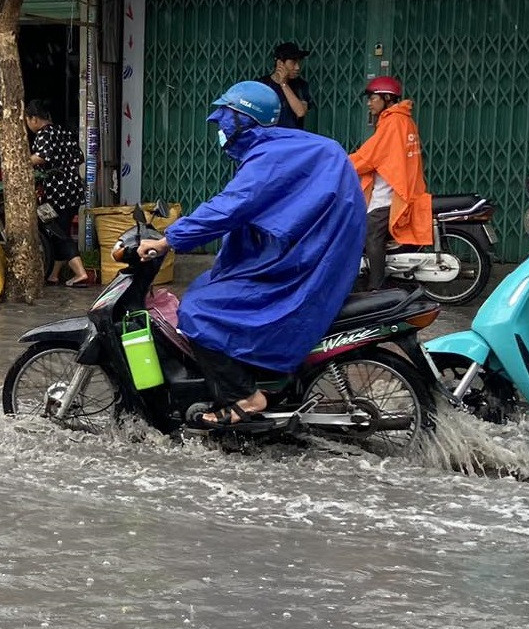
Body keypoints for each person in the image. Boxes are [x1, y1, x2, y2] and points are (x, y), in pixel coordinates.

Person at [136, 81, 366, 428]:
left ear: (245, 119)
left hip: (303, 261)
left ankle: (244, 396)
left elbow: (232, 206)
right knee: (208, 287)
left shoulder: (270, 156)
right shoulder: (285, 147)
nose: (219, 123)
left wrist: (170, 239)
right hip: (302, 251)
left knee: (200, 310)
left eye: (226, 116)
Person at [348, 76, 433, 291]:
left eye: (373, 98)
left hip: (389, 193)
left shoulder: (393, 122)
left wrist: (342, 164)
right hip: (400, 186)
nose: (369, 103)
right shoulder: (403, 120)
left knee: (370, 234)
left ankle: (376, 286)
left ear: (386, 98)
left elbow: (369, 157)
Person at [26, 100, 91, 288]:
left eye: (28, 120)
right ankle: (54, 275)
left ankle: (80, 273)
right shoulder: (64, 131)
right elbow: (80, 157)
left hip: (57, 193)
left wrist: (22, 160)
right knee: (60, 230)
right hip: (74, 190)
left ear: (34, 118)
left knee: (57, 234)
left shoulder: (44, 134)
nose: (28, 125)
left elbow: (41, 156)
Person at [255, 41, 312, 129]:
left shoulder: (301, 85)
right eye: (293, 63)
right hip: (268, 137)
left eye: (298, 62)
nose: (297, 67)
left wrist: (283, 84)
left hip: (292, 138)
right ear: (280, 63)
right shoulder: (262, 84)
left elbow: (300, 112)